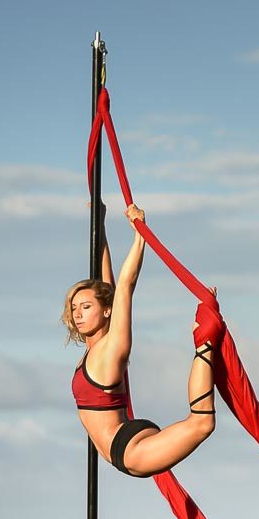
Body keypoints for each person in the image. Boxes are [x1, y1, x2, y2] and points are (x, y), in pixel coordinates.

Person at [64, 203, 218, 478]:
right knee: (110, 287)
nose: (78, 314)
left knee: (202, 423)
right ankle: (205, 340)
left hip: (130, 452)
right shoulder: (95, 347)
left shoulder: (111, 349)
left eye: (86, 307)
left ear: (106, 311)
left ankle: (205, 341)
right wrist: (99, 224)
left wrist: (140, 235)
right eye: (75, 308)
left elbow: (125, 287)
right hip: (127, 435)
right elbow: (107, 285)